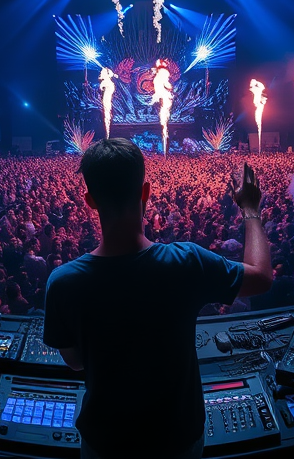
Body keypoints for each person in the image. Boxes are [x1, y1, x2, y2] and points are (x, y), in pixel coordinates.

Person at [43, 138, 273, 459]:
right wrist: (250, 209)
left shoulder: (63, 282)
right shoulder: (185, 262)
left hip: (105, 442)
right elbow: (261, 277)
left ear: (90, 200)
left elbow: (76, 362)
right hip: (176, 440)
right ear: (145, 192)